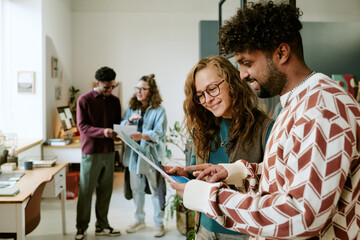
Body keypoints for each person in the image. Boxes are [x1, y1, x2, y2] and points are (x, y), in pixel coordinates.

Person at [170, 2, 360, 240]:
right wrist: (231, 172)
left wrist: (209, 197)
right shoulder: (299, 102)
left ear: (281, 53)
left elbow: (302, 216)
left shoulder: (321, 107)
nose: (242, 74)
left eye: (247, 63)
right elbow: (287, 176)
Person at [164, 55, 274, 240]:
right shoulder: (201, 128)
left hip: (242, 233)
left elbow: (271, 187)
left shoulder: (265, 128)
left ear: (232, 82)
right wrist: (184, 175)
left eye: (212, 89)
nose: (207, 99)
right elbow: (196, 174)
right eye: (200, 95)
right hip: (204, 228)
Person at [75, 66, 121, 240]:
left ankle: (102, 225)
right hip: (90, 152)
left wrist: (121, 132)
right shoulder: (84, 100)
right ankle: (81, 228)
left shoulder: (114, 101)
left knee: (105, 191)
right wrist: (103, 132)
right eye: (106, 87)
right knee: (86, 192)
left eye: (112, 86)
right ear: (97, 83)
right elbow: (83, 127)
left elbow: (117, 125)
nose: (109, 90)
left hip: (109, 152)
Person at [121, 74, 167, 238]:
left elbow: (159, 133)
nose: (138, 91)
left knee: (156, 191)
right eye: (137, 88)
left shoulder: (159, 111)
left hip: (151, 156)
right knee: (136, 190)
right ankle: (139, 220)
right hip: (133, 156)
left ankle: (158, 223)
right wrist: (128, 123)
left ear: (151, 91)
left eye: (143, 89)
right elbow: (122, 127)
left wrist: (142, 135)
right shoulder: (131, 108)